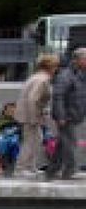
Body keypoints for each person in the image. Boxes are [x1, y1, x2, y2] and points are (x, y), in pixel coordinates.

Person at [15, 54, 59, 176]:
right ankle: (21, 168)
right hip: (30, 116)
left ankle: (30, 166)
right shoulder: (42, 79)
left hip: (29, 114)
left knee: (36, 139)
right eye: (55, 66)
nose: (56, 69)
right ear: (50, 67)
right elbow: (33, 99)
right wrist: (34, 118)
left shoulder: (37, 77)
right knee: (31, 141)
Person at [47, 48, 86, 181]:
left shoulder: (79, 74)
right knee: (70, 142)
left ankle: (52, 170)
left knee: (63, 143)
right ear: (77, 60)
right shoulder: (66, 75)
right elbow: (58, 96)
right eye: (85, 58)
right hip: (66, 116)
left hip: (73, 115)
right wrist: (61, 116)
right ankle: (70, 169)